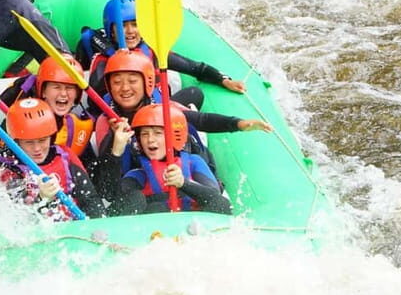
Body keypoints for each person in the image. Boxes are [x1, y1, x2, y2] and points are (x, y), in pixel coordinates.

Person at [91, 49, 272, 204]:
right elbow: (107, 188)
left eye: (132, 81)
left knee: (192, 114)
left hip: (181, 174)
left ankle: (207, 180)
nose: (124, 88)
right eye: (117, 82)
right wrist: (116, 146)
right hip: (140, 181)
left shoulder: (163, 111)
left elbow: (201, 120)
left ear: (146, 82)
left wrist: (238, 124)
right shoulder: (107, 123)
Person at [77, 0, 246, 100]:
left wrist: (223, 80)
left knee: (195, 93)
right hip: (119, 115)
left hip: (153, 112)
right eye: (122, 26)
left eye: (136, 25)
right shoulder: (99, 53)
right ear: (110, 29)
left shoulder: (152, 51)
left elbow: (194, 67)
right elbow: (94, 99)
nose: (130, 31)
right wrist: (118, 62)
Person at [108, 104, 232, 215]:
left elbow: (217, 200)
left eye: (158, 133)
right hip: (155, 234)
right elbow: (111, 197)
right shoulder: (138, 174)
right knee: (139, 200)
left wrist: (184, 183)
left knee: (221, 203)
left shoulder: (193, 162)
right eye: (145, 134)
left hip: (193, 229)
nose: (150, 139)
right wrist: (116, 153)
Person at [0, 98, 105, 220]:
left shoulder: (65, 157)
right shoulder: (10, 168)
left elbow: (90, 198)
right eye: (29, 142)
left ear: (51, 137)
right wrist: (41, 198)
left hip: (74, 228)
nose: (37, 148)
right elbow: (18, 219)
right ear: (17, 142)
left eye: (42, 140)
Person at [0, 54, 95, 159]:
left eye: (69, 88)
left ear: (77, 94)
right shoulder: (19, 118)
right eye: (56, 87)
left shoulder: (77, 125)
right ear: (43, 91)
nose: (63, 93)